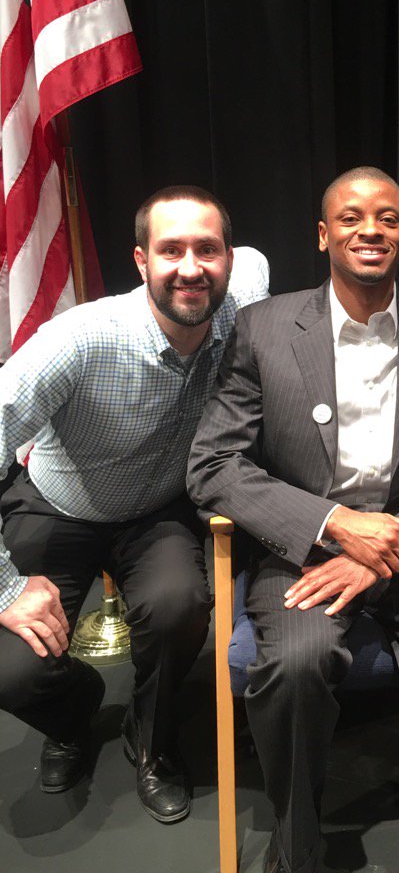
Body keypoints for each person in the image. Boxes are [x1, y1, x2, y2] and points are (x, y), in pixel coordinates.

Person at [187, 166, 399, 873]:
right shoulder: (265, 328)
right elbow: (212, 464)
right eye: (354, 217)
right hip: (304, 548)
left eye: (389, 218)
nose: (372, 229)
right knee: (296, 662)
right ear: (323, 234)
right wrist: (335, 526)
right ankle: (297, 845)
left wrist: (384, 544)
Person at [0, 185, 269, 823]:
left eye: (208, 250)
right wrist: (9, 591)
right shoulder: (78, 340)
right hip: (59, 505)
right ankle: (73, 714)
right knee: (12, 672)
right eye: (170, 250)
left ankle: (151, 739)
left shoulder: (243, 297)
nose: (190, 268)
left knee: (179, 609)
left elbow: (257, 261)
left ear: (228, 258)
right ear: (141, 261)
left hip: (156, 510)